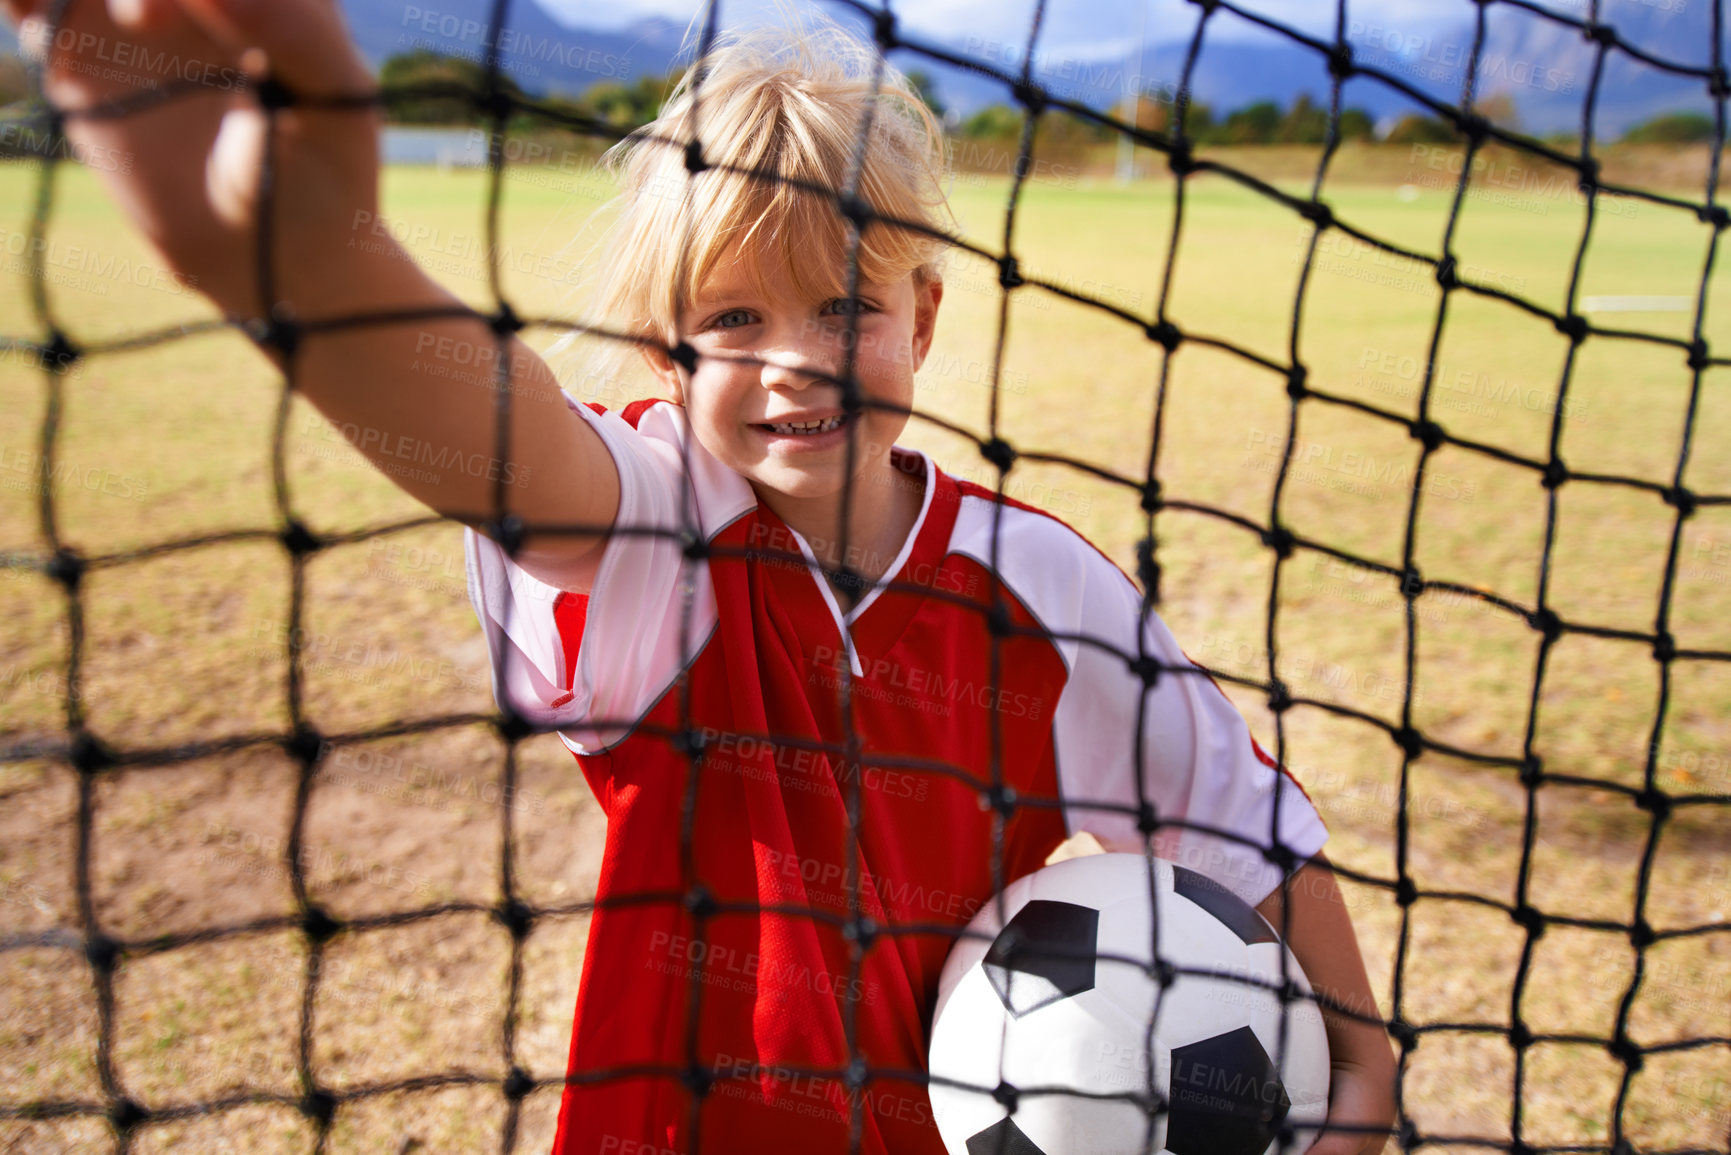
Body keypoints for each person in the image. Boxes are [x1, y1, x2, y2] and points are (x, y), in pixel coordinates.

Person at [4, 1, 1396, 1152]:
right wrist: (299, 257)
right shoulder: (653, 533)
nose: (792, 359)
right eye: (732, 320)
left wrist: (1364, 1071)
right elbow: (488, 433)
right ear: (668, 361)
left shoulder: (1039, 583)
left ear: (920, 314)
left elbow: (1238, 823)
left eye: (844, 305)